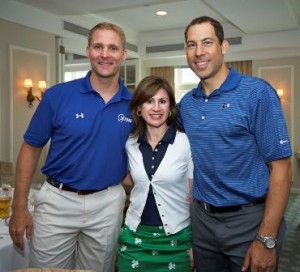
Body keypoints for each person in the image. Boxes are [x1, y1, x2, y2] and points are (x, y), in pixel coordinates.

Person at [9, 22, 132, 272]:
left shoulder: (135, 104)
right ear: (88, 50)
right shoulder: (57, 96)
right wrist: (19, 206)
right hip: (57, 202)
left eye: (112, 48)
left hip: (107, 204)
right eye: (98, 47)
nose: (105, 54)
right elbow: (30, 148)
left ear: (123, 54)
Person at [178, 16, 292, 272]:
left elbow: (282, 169)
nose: (199, 52)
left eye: (207, 42)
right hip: (203, 221)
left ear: (223, 46)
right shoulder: (187, 104)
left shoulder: (257, 93)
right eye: (191, 44)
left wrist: (266, 239)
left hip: (250, 221)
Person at [117, 75, 194, 271]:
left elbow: (194, 197)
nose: (156, 108)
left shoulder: (186, 143)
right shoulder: (130, 143)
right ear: (139, 108)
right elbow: (123, 176)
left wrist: (197, 242)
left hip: (176, 239)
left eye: (162, 101)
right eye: (149, 101)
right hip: (135, 238)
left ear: (170, 108)